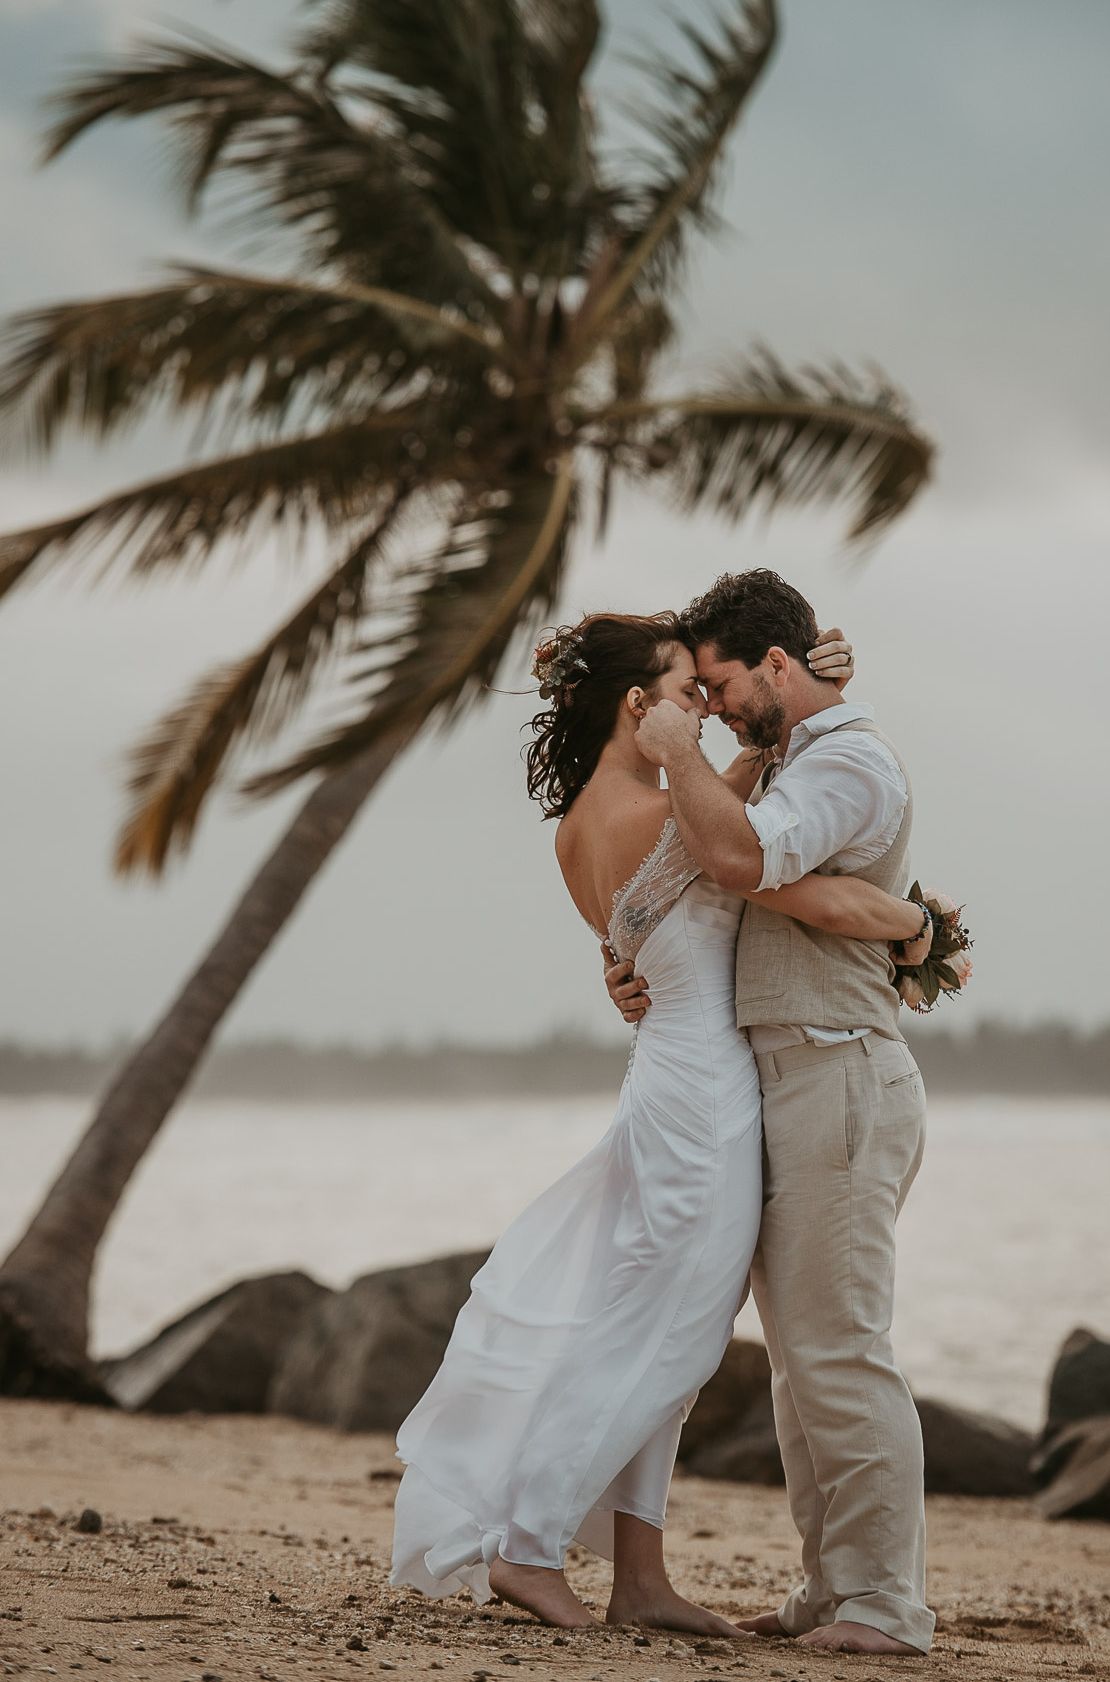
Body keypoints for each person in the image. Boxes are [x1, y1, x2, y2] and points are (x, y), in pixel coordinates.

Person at [390, 610, 930, 1636]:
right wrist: (917, 922)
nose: (704, 712)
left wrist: (798, 684)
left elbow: (656, 911)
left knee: (661, 1327)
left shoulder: (580, 827)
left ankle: (638, 1578)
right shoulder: (665, 819)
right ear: (639, 707)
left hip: (666, 1078)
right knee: (671, 1337)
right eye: (687, 695)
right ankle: (529, 1545)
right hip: (707, 1094)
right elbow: (748, 859)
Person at [608, 569, 935, 1656]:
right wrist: (632, 963)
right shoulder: (796, 751)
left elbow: (741, 856)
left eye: (718, 681)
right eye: (694, 688)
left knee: (840, 1350)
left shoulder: (845, 760)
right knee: (800, 1366)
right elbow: (708, 877)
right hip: (792, 1075)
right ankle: (830, 1589)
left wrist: (678, 756)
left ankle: (886, 1606)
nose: (705, 703)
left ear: (777, 667)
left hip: (839, 1072)